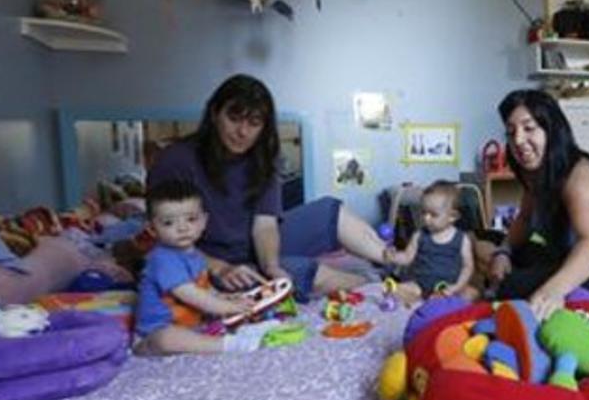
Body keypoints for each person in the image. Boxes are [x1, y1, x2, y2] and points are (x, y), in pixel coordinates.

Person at [147, 74, 387, 300]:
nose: (242, 132)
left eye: (254, 123)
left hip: (255, 243)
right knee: (305, 273)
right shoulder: (175, 160)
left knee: (329, 211)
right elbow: (162, 237)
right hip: (211, 257)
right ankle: (383, 288)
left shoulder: (263, 157)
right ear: (214, 113)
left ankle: (396, 265)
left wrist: (271, 266)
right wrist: (219, 268)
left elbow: (265, 224)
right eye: (234, 119)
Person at [484, 89, 589, 320]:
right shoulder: (536, 172)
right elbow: (524, 220)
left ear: (551, 129)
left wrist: (551, 291)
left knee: (510, 286)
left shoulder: (578, 175)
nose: (518, 140)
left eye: (529, 128)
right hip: (562, 259)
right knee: (481, 241)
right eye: (511, 132)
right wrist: (504, 252)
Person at [135, 179, 279, 355]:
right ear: (152, 229)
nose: (183, 228)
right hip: (157, 330)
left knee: (221, 316)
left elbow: (204, 288)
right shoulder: (162, 258)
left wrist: (226, 298)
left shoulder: (194, 253)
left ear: (204, 221)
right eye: (168, 223)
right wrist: (226, 307)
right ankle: (228, 345)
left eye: (191, 219)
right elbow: (190, 294)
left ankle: (243, 330)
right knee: (167, 339)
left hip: (192, 323)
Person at [383, 180, 476, 303]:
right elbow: (407, 257)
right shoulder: (419, 235)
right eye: (424, 213)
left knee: (472, 293)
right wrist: (393, 256)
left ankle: (436, 303)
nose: (426, 218)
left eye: (433, 214)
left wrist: (457, 286)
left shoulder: (462, 239)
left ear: (452, 216)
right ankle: (421, 301)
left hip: (449, 288)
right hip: (421, 285)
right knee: (398, 289)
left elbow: (467, 267)